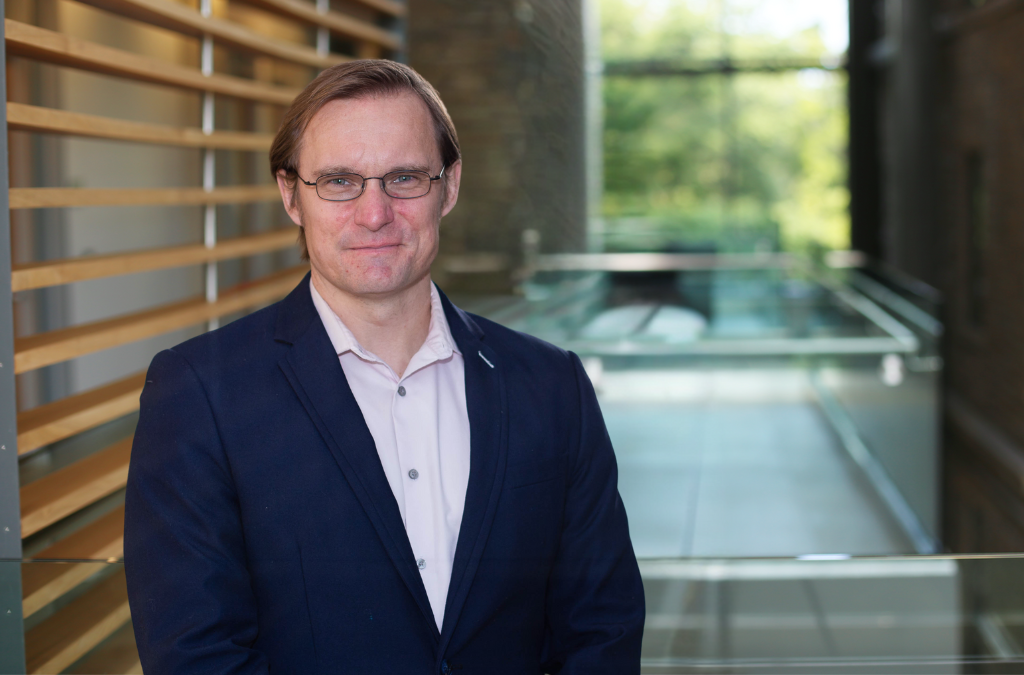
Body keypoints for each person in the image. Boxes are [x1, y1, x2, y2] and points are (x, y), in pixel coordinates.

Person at [124, 60, 644, 674]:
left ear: (448, 186)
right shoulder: (199, 394)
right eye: (340, 181)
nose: (375, 214)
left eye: (403, 178)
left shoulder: (552, 387)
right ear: (291, 195)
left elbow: (602, 630)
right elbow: (196, 655)